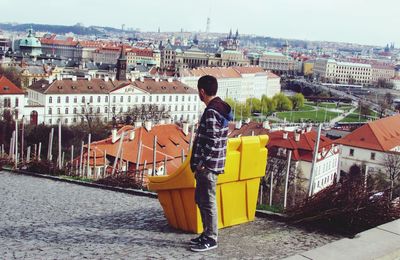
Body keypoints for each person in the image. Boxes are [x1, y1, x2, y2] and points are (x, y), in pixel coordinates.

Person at [189, 75, 233, 252]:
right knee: (201, 199)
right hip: (213, 163)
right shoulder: (221, 107)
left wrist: (201, 163)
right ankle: (206, 233)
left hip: (208, 166)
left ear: (202, 91)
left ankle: (211, 238)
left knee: (208, 201)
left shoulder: (211, 111)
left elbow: (212, 141)